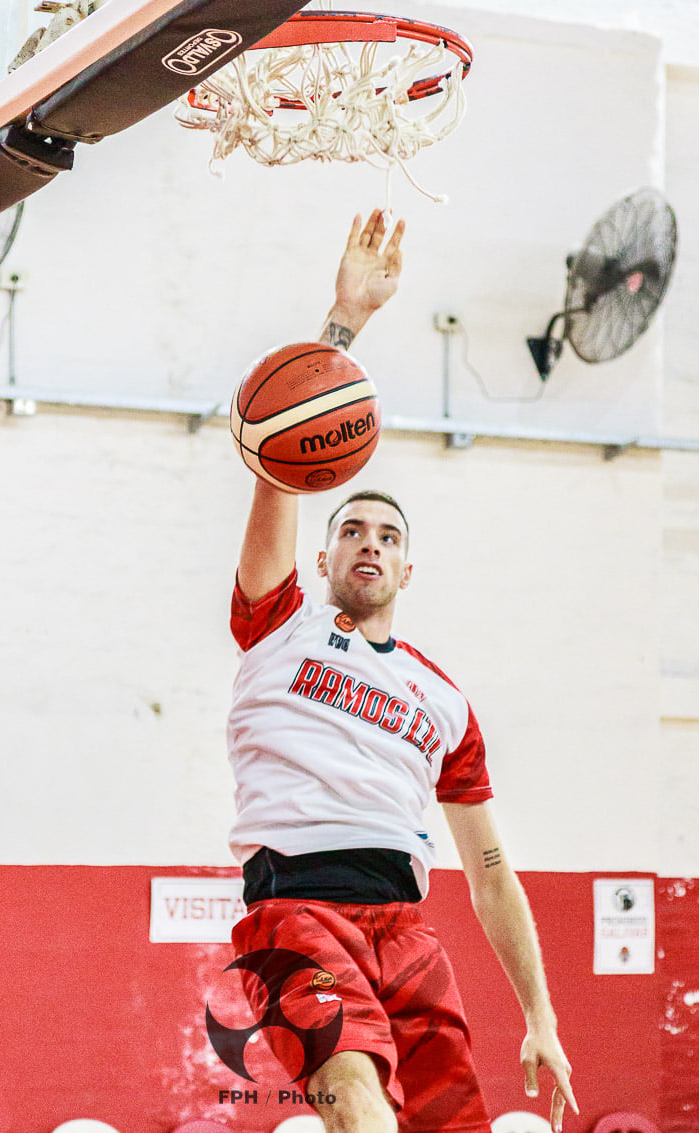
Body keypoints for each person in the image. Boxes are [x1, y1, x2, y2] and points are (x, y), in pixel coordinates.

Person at [226, 209, 577, 1133]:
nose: (368, 543)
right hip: (298, 908)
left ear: (408, 568)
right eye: (350, 529)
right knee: (358, 1103)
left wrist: (541, 1015)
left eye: (387, 535)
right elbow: (282, 445)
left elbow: (492, 872)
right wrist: (343, 324)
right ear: (325, 553)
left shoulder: (445, 700)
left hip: (407, 929)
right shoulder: (278, 623)